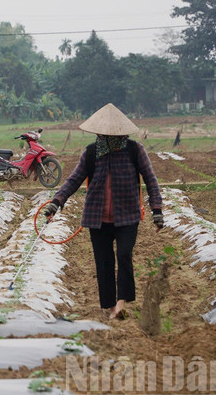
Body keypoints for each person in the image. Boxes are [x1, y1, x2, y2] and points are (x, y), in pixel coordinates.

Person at [43, 104, 163, 320]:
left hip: (127, 216)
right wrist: (56, 202)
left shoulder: (134, 150)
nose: (107, 137)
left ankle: (121, 301)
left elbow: (151, 180)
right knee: (104, 261)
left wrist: (157, 210)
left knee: (124, 255)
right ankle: (110, 307)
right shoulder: (92, 152)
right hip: (97, 217)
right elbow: (74, 179)